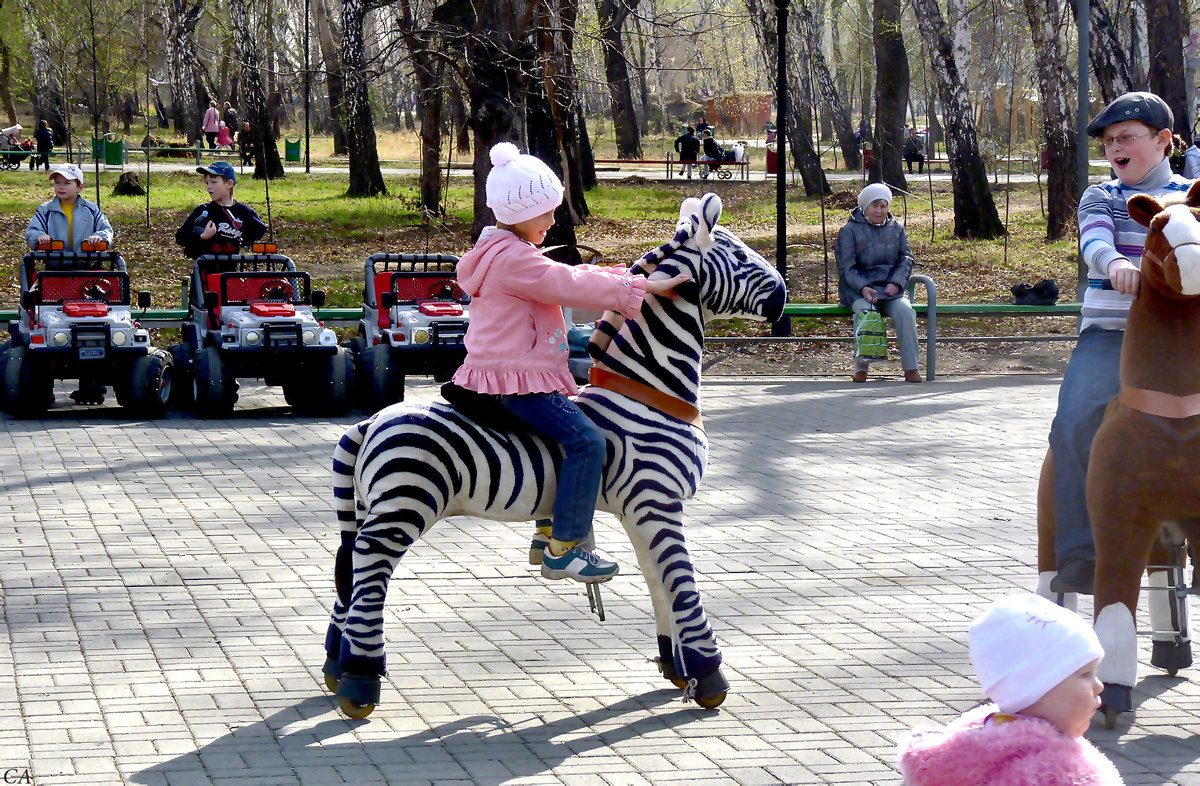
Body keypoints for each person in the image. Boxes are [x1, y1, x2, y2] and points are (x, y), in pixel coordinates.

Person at [450, 142, 689, 583]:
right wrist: (637, 289)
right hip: (515, 380)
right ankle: (565, 547)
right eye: (545, 212)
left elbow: (572, 275)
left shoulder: (501, 251)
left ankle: (546, 528)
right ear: (518, 213)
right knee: (587, 441)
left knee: (562, 435)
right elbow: (570, 282)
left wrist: (627, 279)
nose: (553, 220)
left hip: (501, 373)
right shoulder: (515, 260)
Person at [1043, 92, 1191, 595]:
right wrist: (1116, 265)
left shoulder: (1192, 196)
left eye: (1126, 137)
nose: (1115, 149)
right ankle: (1081, 552)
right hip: (1113, 335)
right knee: (1077, 417)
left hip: (1181, 342)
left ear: (1163, 140)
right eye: (1109, 142)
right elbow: (1094, 240)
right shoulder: (1101, 196)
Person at [897, 593, 1122, 785]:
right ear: (1036, 689)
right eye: (1085, 674)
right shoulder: (1063, 772)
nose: (1099, 686)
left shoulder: (965, 751)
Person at [835, 182, 921, 384]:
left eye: (883, 206)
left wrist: (896, 284)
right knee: (866, 312)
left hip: (891, 289)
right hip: (857, 289)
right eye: (874, 206)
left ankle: (911, 367)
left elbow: (906, 259)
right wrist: (864, 287)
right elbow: (846, 266)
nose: (879, 211)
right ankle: (861, 368)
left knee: (906, 312)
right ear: (865, 207)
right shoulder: (849, 230)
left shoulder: (897, 228)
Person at [174, 160, 267, 259]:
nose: (209, 187)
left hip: (231, 270)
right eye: (207, 183)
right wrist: (202, 237)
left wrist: (240, 241)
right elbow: (180, 237)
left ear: (229, 184)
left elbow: (260, 229)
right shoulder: (203, 210)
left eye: (213, 182)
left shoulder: (242, 211)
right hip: (205, 269)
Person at [25, 163, 112, 254]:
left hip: (87, 261)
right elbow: (32, 230)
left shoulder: (91, 209)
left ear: (79, 187)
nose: (61, 187)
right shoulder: (46, 210)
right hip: (54, 262)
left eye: (67, 183)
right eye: (57, 182)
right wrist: (40, 236)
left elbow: (106, 229)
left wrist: (99, 236)